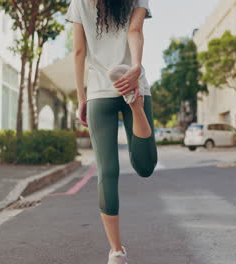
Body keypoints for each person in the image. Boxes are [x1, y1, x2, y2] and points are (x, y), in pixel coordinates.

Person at [66, 0, 157, 263]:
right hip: (132, 82)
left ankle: (116, 251)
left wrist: (82, 98)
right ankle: (136, 107)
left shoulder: (79, 2)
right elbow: (135, 31)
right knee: (145, 166)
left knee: (106, 171)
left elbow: (79, 52)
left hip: (99, 89)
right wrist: (135, 67)